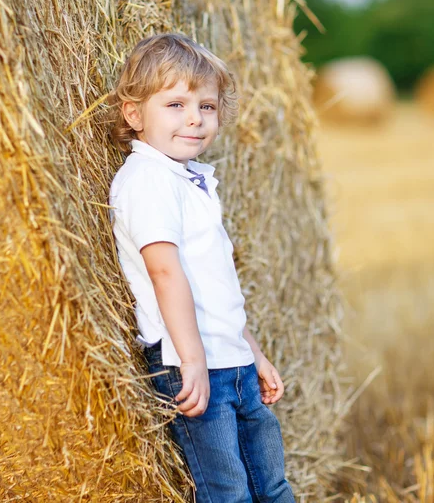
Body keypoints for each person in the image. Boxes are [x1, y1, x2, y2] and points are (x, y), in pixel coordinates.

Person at [108, 33, 296, 502]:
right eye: (175, 104)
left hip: (232, 362)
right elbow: (165, 273)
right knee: (227, 493)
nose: (194, 118)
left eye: (207, 107)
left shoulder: (189, 180)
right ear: (134, 115)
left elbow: (216, 286)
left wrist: (251, 350)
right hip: (190, 366)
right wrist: (191, 360)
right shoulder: (147, 180)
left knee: (272, 485)